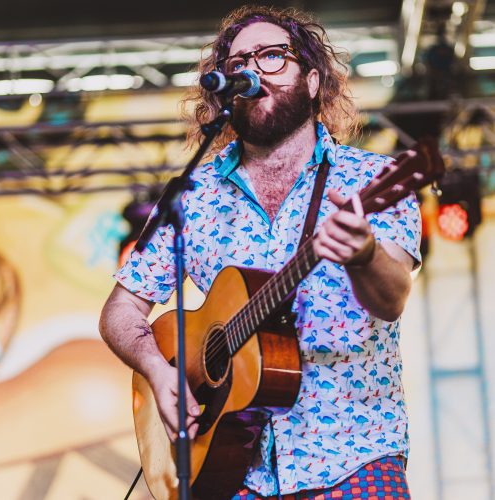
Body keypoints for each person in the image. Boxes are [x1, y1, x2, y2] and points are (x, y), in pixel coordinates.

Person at [99, 5, 421, 499]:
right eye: (238, 64)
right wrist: (159, 371)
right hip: (234, 473)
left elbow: (392, 298)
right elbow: (121, 310)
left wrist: (364, 255)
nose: (252, 70)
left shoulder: (372, 180)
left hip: (354, 457)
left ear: (313, 81)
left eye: (273, 56)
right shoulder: (195, 195)